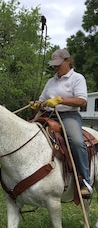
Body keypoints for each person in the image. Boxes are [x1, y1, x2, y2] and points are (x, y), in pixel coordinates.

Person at [31, 48, 92, 198]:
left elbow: (82, 101)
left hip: (69, 115)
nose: (55, 67)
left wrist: (60, 100)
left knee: (77, 142)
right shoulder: (51, 81)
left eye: (58, 64)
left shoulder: (77, 78)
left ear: (68, 61)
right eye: (54, 64)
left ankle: (85, 181)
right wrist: (38, 104)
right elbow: (43, 99)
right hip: (49, 115)